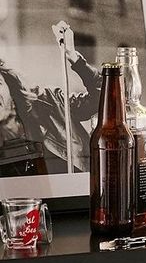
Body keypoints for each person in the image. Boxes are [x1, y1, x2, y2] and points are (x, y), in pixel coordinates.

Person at [0, 21, 102, 175]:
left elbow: (103, 98)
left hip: (76, 193)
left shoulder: (50, 102)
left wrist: (74, 57)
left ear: (8, 80)